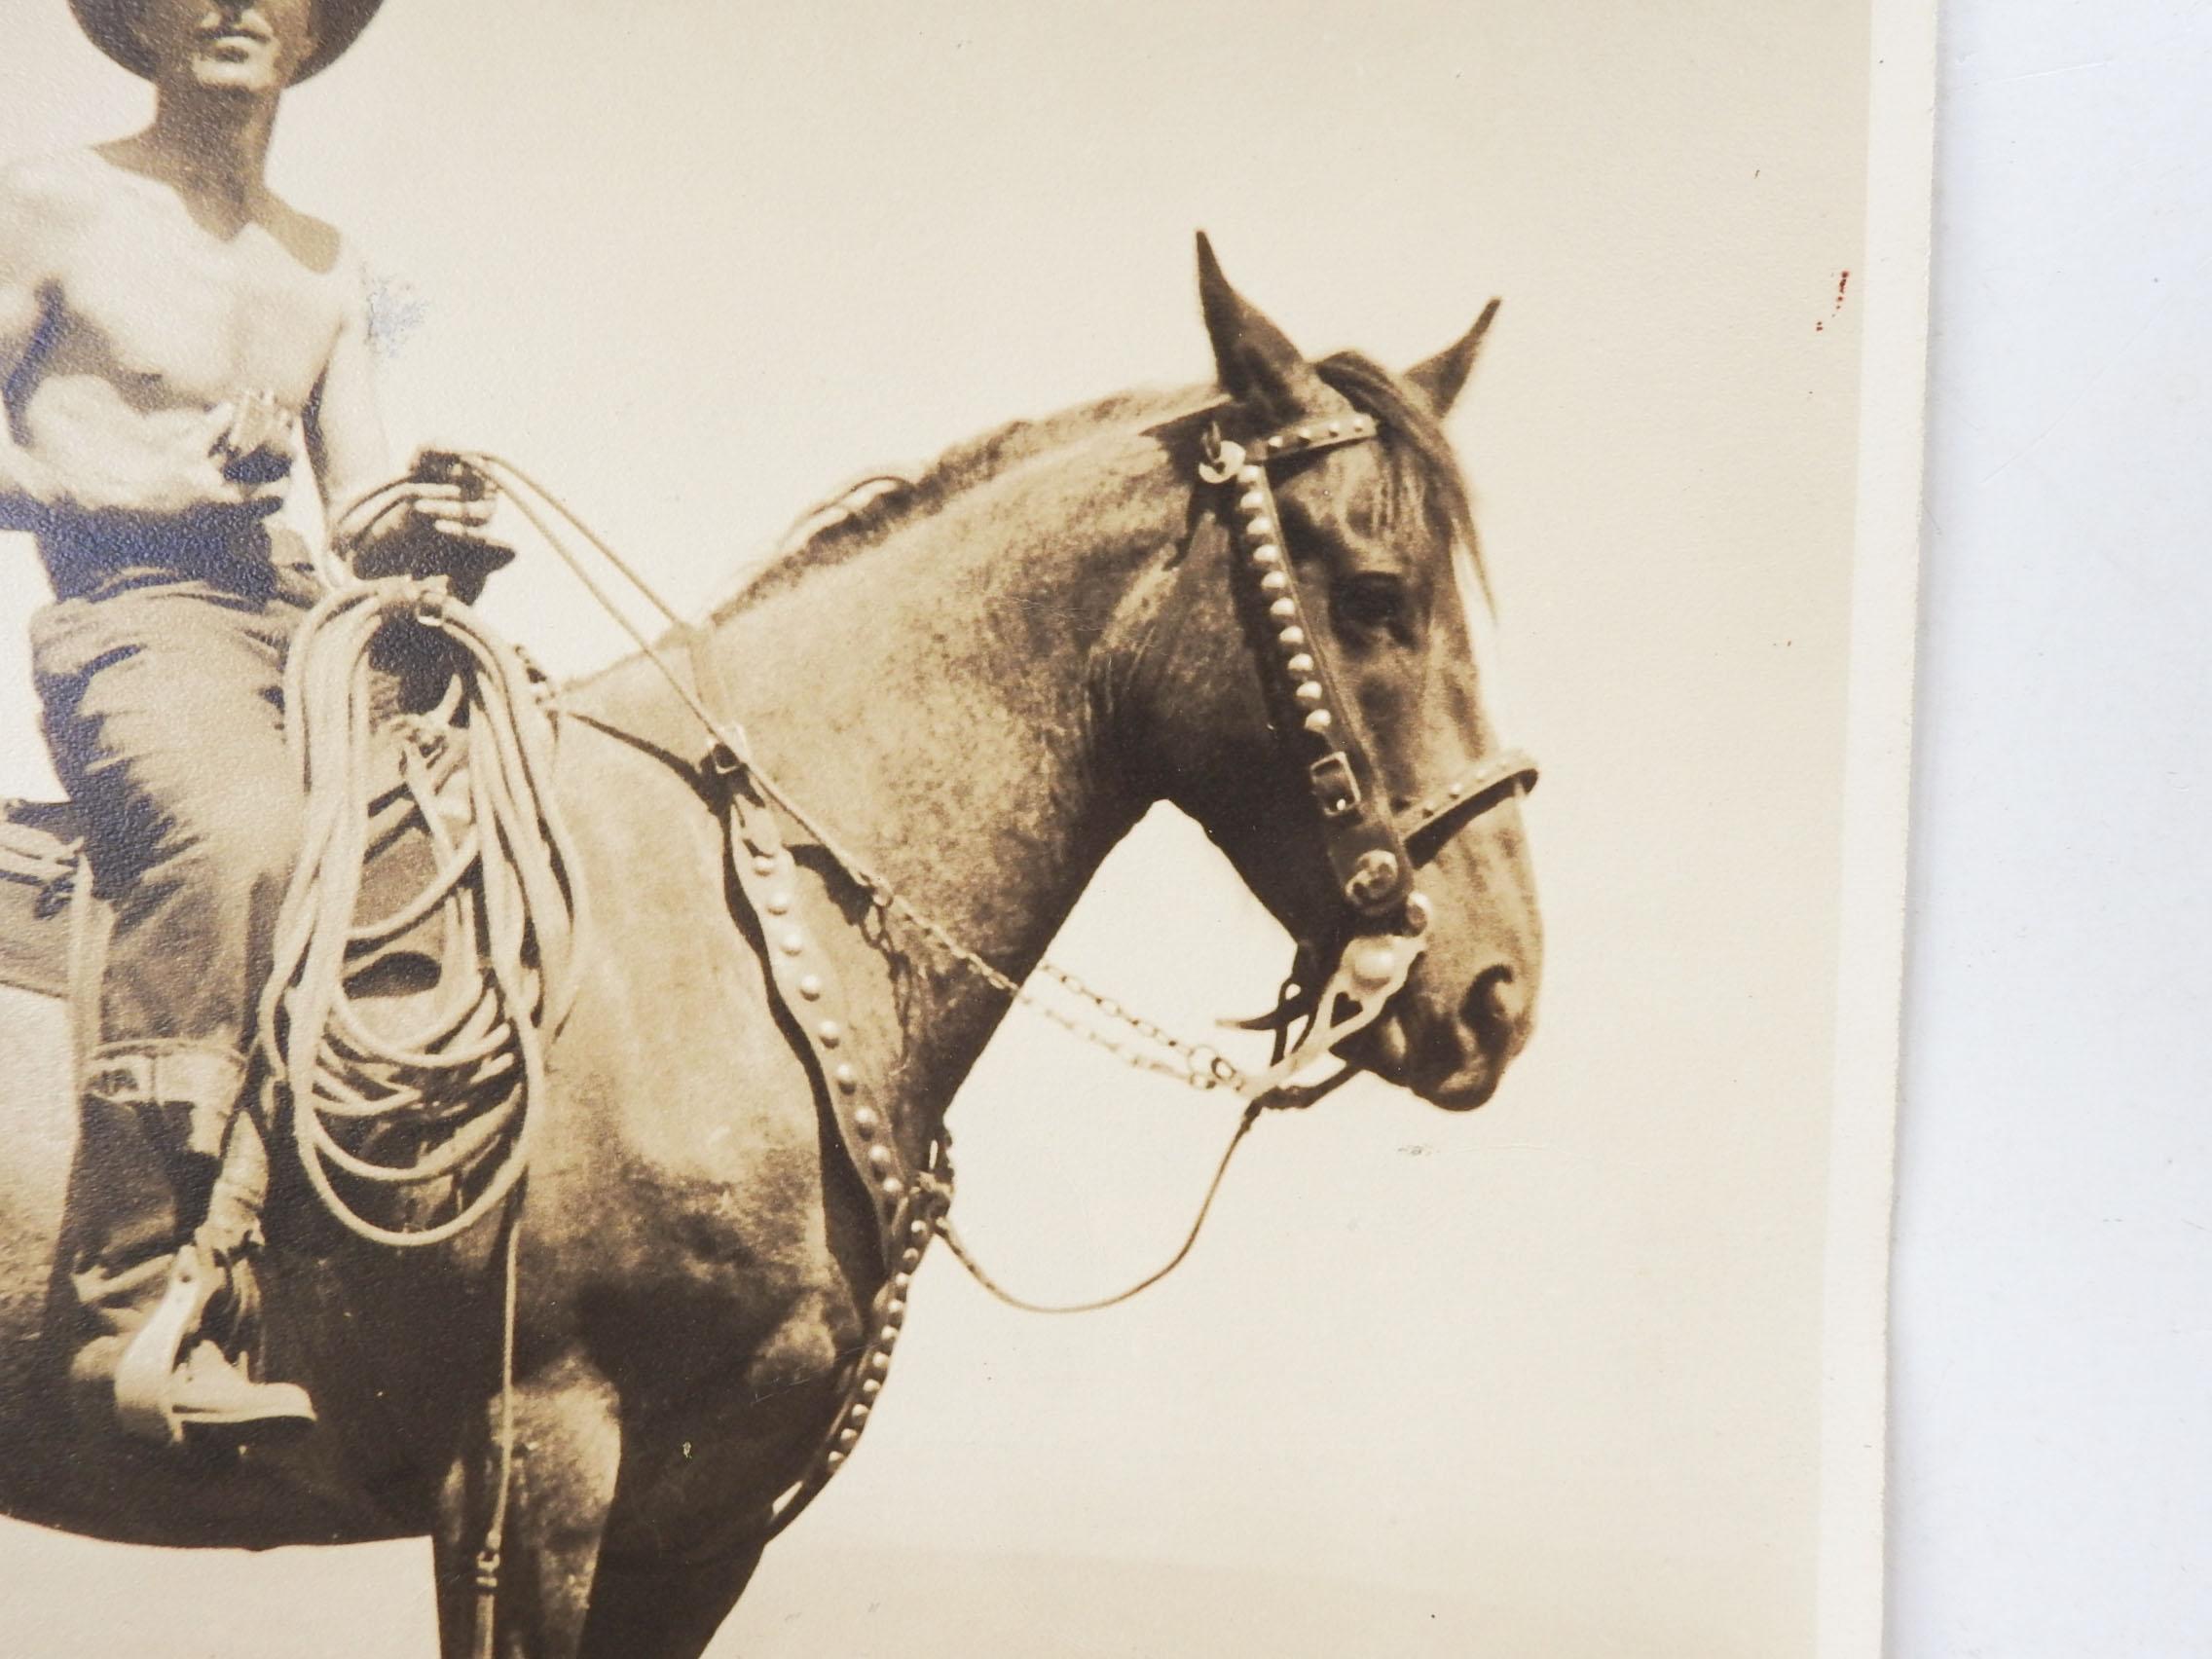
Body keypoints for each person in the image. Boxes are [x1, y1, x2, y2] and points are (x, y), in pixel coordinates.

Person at [0, 0, 506, 1442]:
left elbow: (366, 515)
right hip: (131, 620)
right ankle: (128, 1309)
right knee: (239, 839)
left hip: (301, 622)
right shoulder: (47, 203)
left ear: (305, 31)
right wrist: (106, 484)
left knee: (496, 836)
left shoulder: (323, 263)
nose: (235, 1)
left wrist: (437, 525)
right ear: (146, 20)